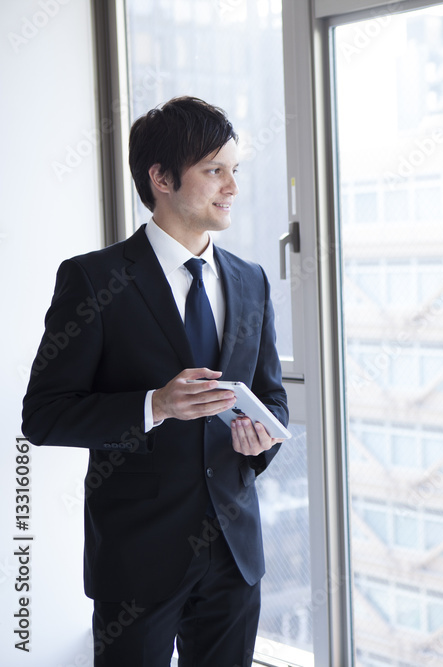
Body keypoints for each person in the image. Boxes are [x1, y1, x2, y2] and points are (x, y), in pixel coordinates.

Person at [21, 96, 287, 667]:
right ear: (161, 178)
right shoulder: (94, 279)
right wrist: (154, 405)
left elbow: (272, 398)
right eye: (214, 170)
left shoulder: (252, 280)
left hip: (235, 554)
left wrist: (261, 438)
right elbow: (42, 415)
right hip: (137, 558)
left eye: (234, 170)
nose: (232, 187)